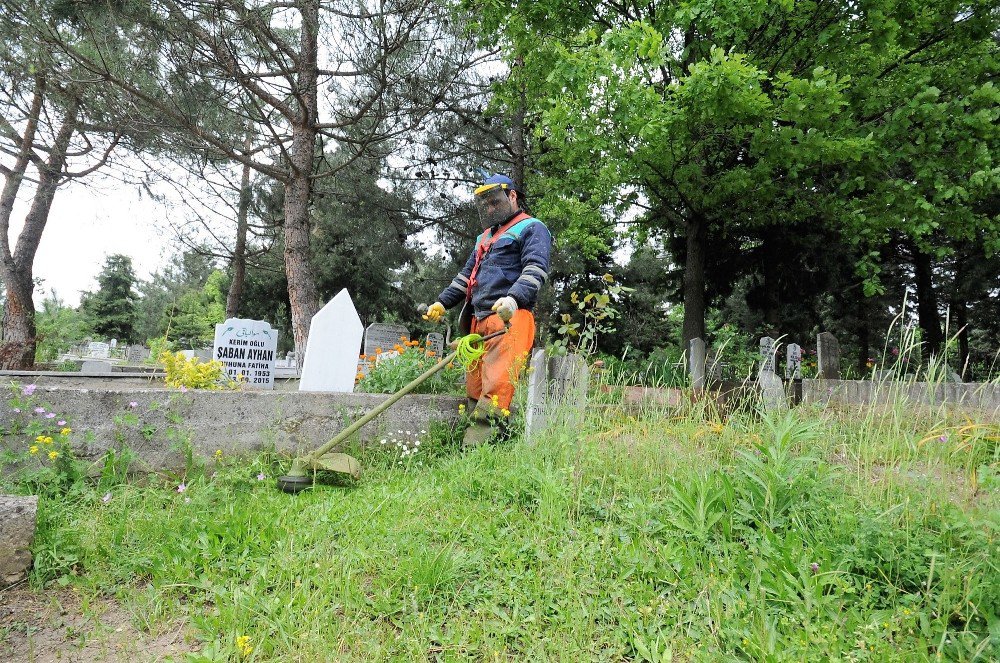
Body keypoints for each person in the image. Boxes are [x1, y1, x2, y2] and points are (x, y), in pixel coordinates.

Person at [423, 174, 552, 445]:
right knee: (475, 386)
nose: (491, 209)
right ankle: (478, 444)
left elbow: (535, 270)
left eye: (495, 202)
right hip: (478, 320)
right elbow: (465, 277)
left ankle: (480, 449)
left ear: (512, 196)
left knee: (497, 386)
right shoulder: (484, 237)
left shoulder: (532, 228)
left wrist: (513, 299)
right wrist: (442, 302)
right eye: (487, 205)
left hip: (510, 318)